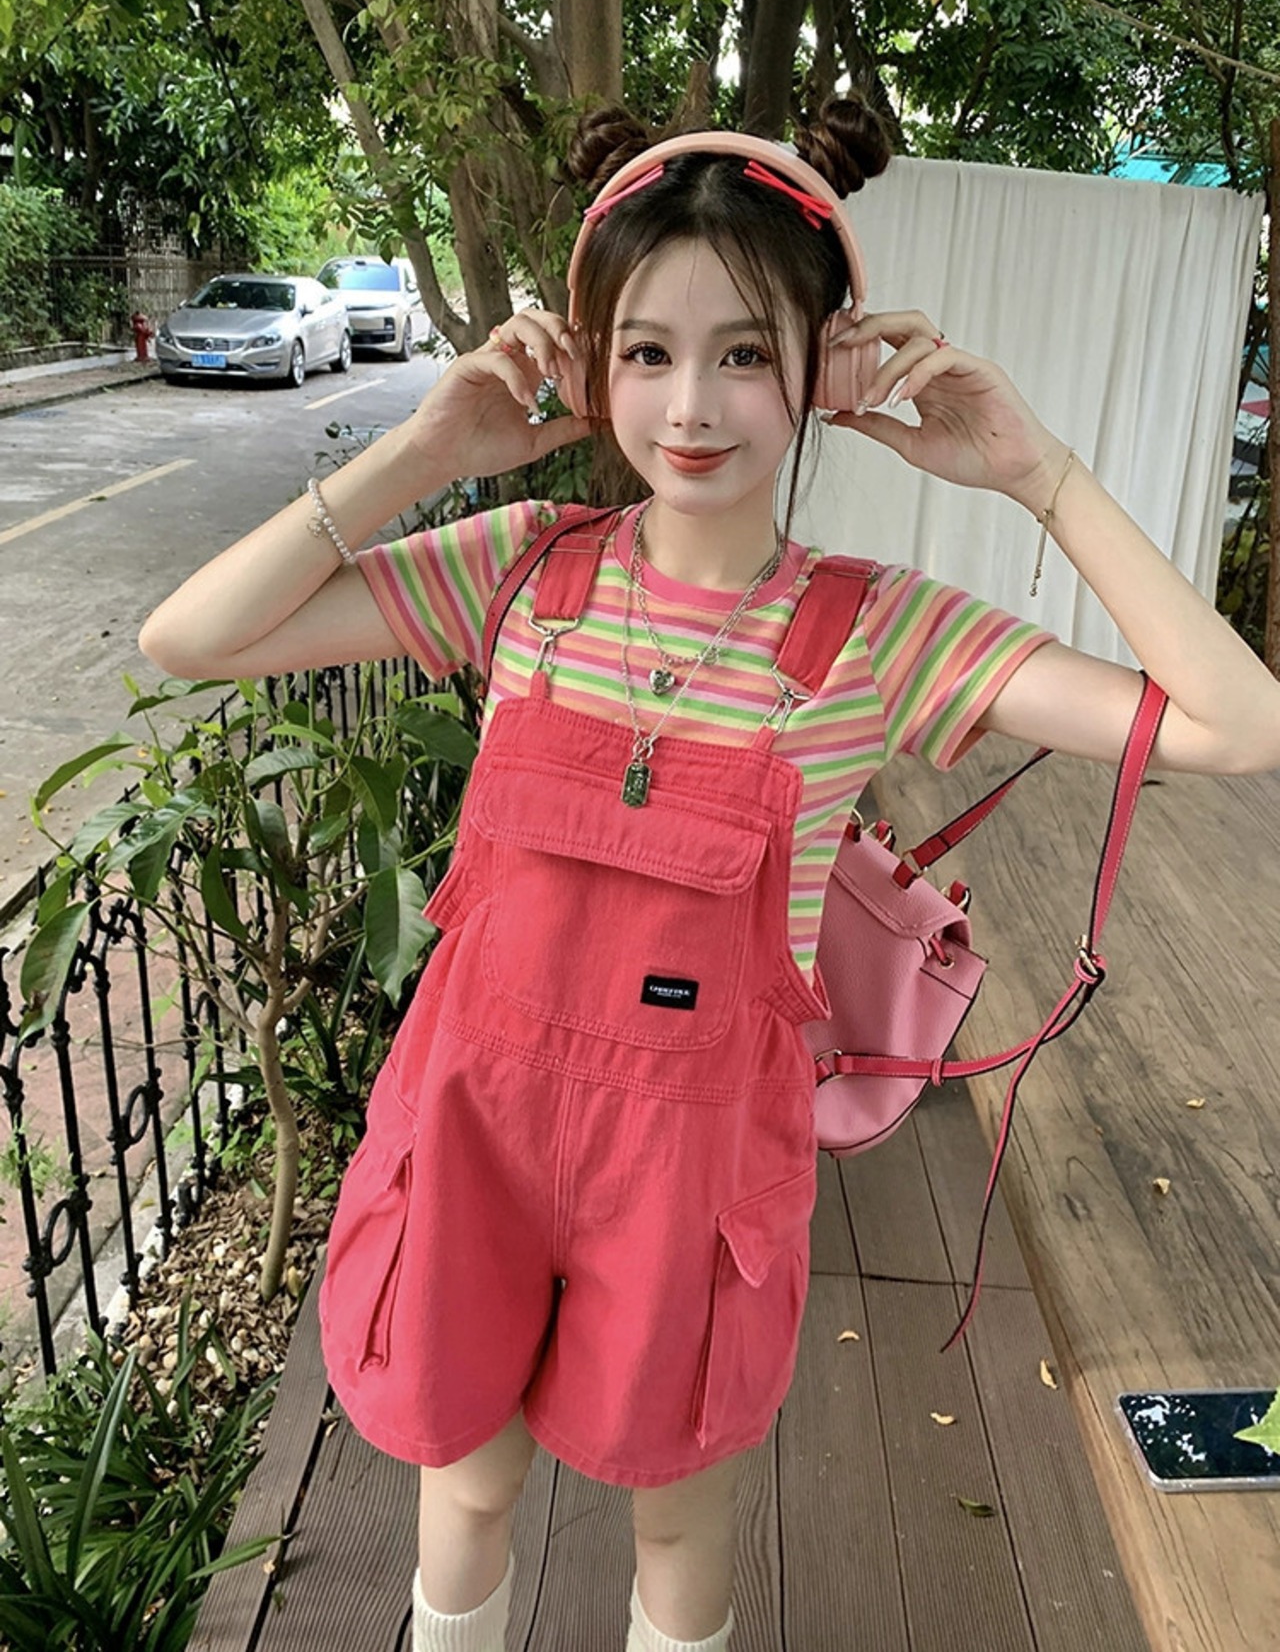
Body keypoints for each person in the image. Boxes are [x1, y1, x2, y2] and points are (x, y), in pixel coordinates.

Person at [139, 97, 1280, 1652]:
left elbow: (1237, 726)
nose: (691, 405)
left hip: (691, 1169)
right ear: (591, 368)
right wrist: (426, 449)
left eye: (745, 352)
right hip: (472, 1127)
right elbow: (190, 638)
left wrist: (1039, 475)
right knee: (464, 1490)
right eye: (647, 352)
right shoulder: (521, 569)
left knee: (679, 1514)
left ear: (823, 367)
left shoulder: (881, 633)